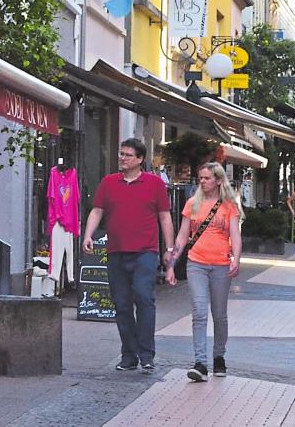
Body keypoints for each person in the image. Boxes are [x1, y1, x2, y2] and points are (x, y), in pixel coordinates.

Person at [83, 138, 175, 374]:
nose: (122, 158)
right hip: (116, 251)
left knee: (144, 299)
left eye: (127, 155)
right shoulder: (109, 182)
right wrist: (88, 235)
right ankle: (129, 355)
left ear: (140, 159)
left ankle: (146, 354)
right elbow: (97, 210)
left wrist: (170, 249)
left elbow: (165, 217)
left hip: (145, 251)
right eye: (121, 154)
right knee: (122, 305)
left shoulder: (154, 184)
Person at [166, 162, 241, 381]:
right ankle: (200, 362)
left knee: (219, 315)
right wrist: (172, 263)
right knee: (199, 312)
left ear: (218, 180)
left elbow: (235, 235)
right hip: (196, 262)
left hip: (220, 264)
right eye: (200, 178)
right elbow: (182, 235)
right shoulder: (192, 204)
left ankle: (219, 356)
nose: (202, 181)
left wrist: (236, 258)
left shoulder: (229, 206)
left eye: (207, 178)